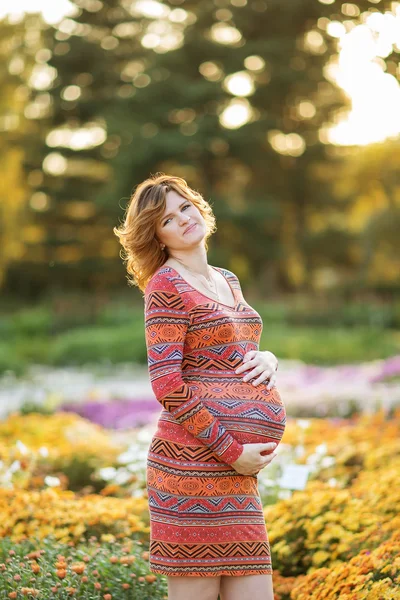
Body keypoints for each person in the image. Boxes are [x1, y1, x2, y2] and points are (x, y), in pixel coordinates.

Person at [114, 173, 286, 600]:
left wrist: (268, 358)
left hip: (238, 475)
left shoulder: (227, 278)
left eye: (184, 207)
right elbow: (168, 384)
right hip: (190, 469)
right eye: (168, 220)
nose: (183, 220)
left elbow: (239, 352)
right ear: (157, 238)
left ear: (198, 206)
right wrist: (232, 451)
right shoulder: (165, 288)